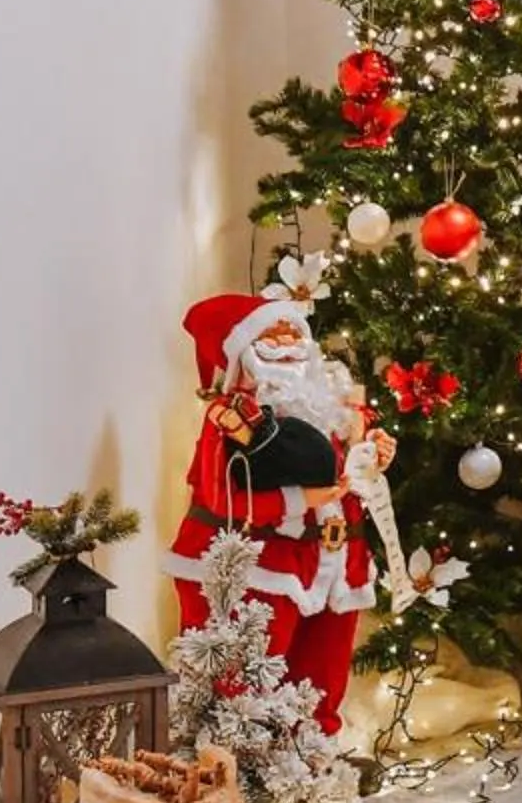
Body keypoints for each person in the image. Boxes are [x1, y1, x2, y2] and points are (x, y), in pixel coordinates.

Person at [164, 293, 393, 735]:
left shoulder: (335, 409)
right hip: (260, 565)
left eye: (293, 331)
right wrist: (301, 501)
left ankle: (315, 769)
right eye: (272, 334)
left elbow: (347, 476)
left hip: (333, 561)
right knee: (250, 682)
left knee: (322, 676)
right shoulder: (232, 419)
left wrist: (372, 456)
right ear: (243, 353)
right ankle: (248, 770)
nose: (287, 340)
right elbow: (224, 500)